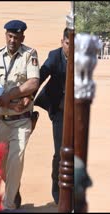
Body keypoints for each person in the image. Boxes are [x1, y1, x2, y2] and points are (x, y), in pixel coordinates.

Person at [0, 19, 40, 210]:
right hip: (1, 121)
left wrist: (11, 95)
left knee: (15, 162)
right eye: (10, 36)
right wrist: (0, 100)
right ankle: (14, 188)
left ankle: (9, 205)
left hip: (21, 122)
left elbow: (33, 82)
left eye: (16, 37)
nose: (12, 40)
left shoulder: (29, 54)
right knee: (2, 167)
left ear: (22, 38)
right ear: (6, 36)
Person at [34, 27, 69, 204]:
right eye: (68, 44)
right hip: (58, 109)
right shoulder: (54, 56)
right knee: (60, 151)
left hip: (74, 111)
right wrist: (28, 98)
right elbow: (41, 76)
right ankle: (56, 184)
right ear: (62, 42)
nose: (71, 48)